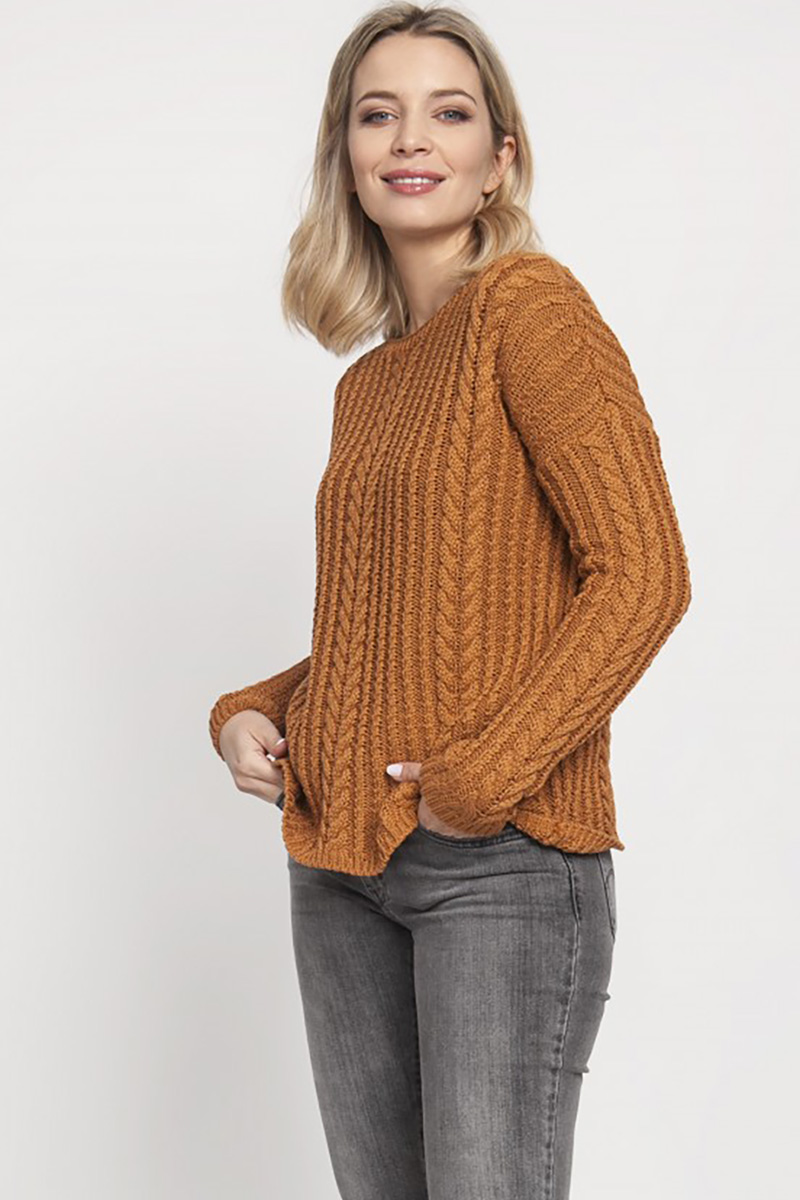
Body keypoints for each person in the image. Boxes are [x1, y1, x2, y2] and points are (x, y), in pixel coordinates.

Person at [208, 5, 692, 1198]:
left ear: (498, 159)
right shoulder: (370, 384)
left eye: (449, 112)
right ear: (346, 159)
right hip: (338, 866)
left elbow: (642, 573)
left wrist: (481, 781)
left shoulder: (529, 309)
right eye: (377, 114)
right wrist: (254, 706)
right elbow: (385, 633)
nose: (410, 139)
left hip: (500, 866)